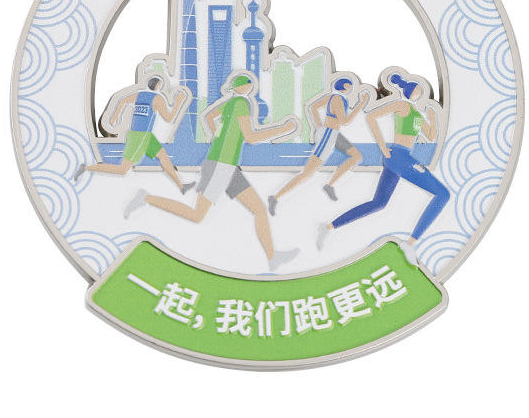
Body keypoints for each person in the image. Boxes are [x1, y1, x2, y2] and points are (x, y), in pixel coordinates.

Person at [124, 73, 301, 272]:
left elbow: (208, 116)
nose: (250, 85)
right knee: (197, 215)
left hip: (227, 166)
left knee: (259, 209)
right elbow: (251, 137)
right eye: (248, 83)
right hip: (220, 166)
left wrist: (216, 137)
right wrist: (283, 129)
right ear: (242, 87)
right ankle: (146, 198)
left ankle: (272, 257)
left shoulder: (230, 102)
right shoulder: (241, 103)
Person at [316, 71, 449, 266]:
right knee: (443, 194)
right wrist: (382, 147)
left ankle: (329, 227)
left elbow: (430, 135)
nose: (419, 93)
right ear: (410, 91)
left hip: (400, 158)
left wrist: (432, 118)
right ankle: (410, 243)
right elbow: (372, 117)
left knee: (379, 203)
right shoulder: (402, 106)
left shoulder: (416, 113)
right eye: (416, 90)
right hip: (399, 156)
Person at [74, 75, 194, 194]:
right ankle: (85, 168)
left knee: (163, 156)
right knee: (122, 170)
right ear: (159, 86)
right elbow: (169, 118)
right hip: (140, 138)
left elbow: (123, 101)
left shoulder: (139, 95)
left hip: (145, 137)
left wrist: (115, 116)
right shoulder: (158, 99)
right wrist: (178, 102)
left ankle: (181, 186)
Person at [268, 76, 369, 214]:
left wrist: (318, 126)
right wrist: (361, 104)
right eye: (349, 85)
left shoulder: (334, 97)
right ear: (345, 86)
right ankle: (275, 197)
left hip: (332, 134)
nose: (351, 88)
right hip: (328, 135)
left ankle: (329, 185)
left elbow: (314, 107)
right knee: (307, 173)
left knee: (356, 156)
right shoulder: (337, 98)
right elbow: (345, 121)